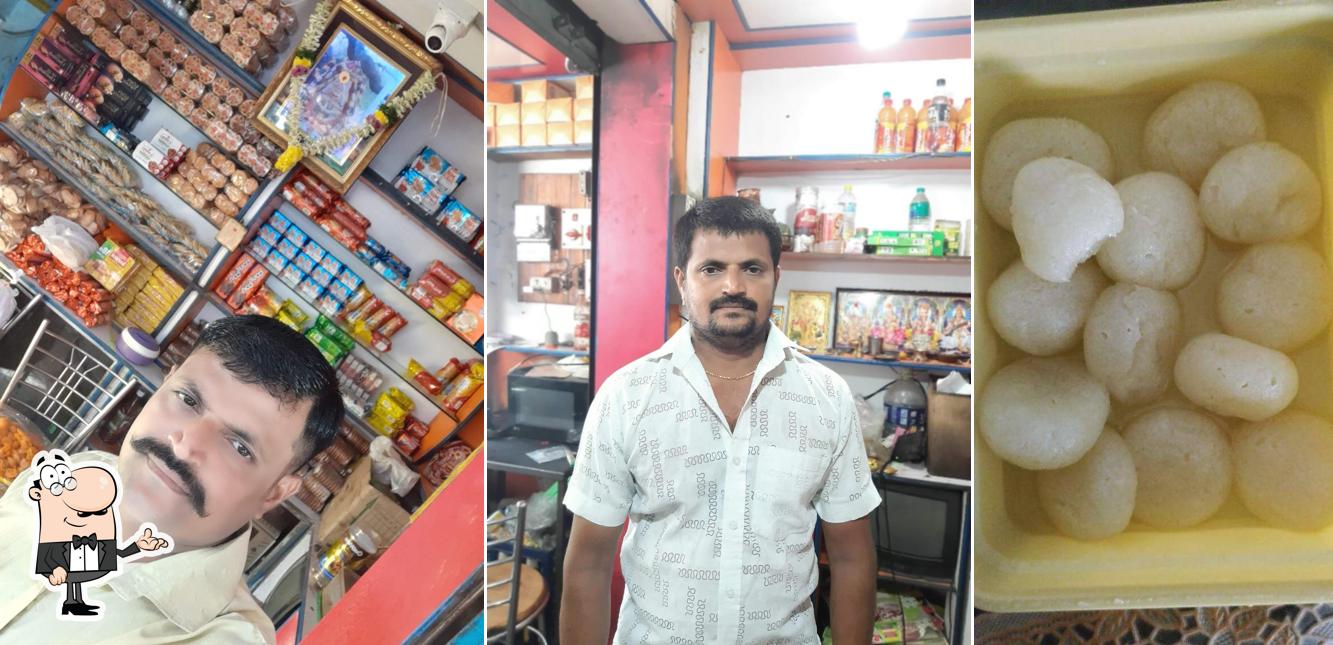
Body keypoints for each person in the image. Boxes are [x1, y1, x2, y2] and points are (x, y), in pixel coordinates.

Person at [560, 196, 881, 644]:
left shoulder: (826, 397)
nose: (733, 286)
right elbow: (588, 564)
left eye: (752, 268)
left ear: (776, 277)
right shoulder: (627, 396)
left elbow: (851, 559)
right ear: (682, 280)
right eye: (711, 269)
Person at [0, 315, 343, 642]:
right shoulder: (85, 469)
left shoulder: (221, 638)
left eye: (240, 447)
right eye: (187, 399)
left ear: (274, 494)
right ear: (166, 382)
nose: (185, 446)